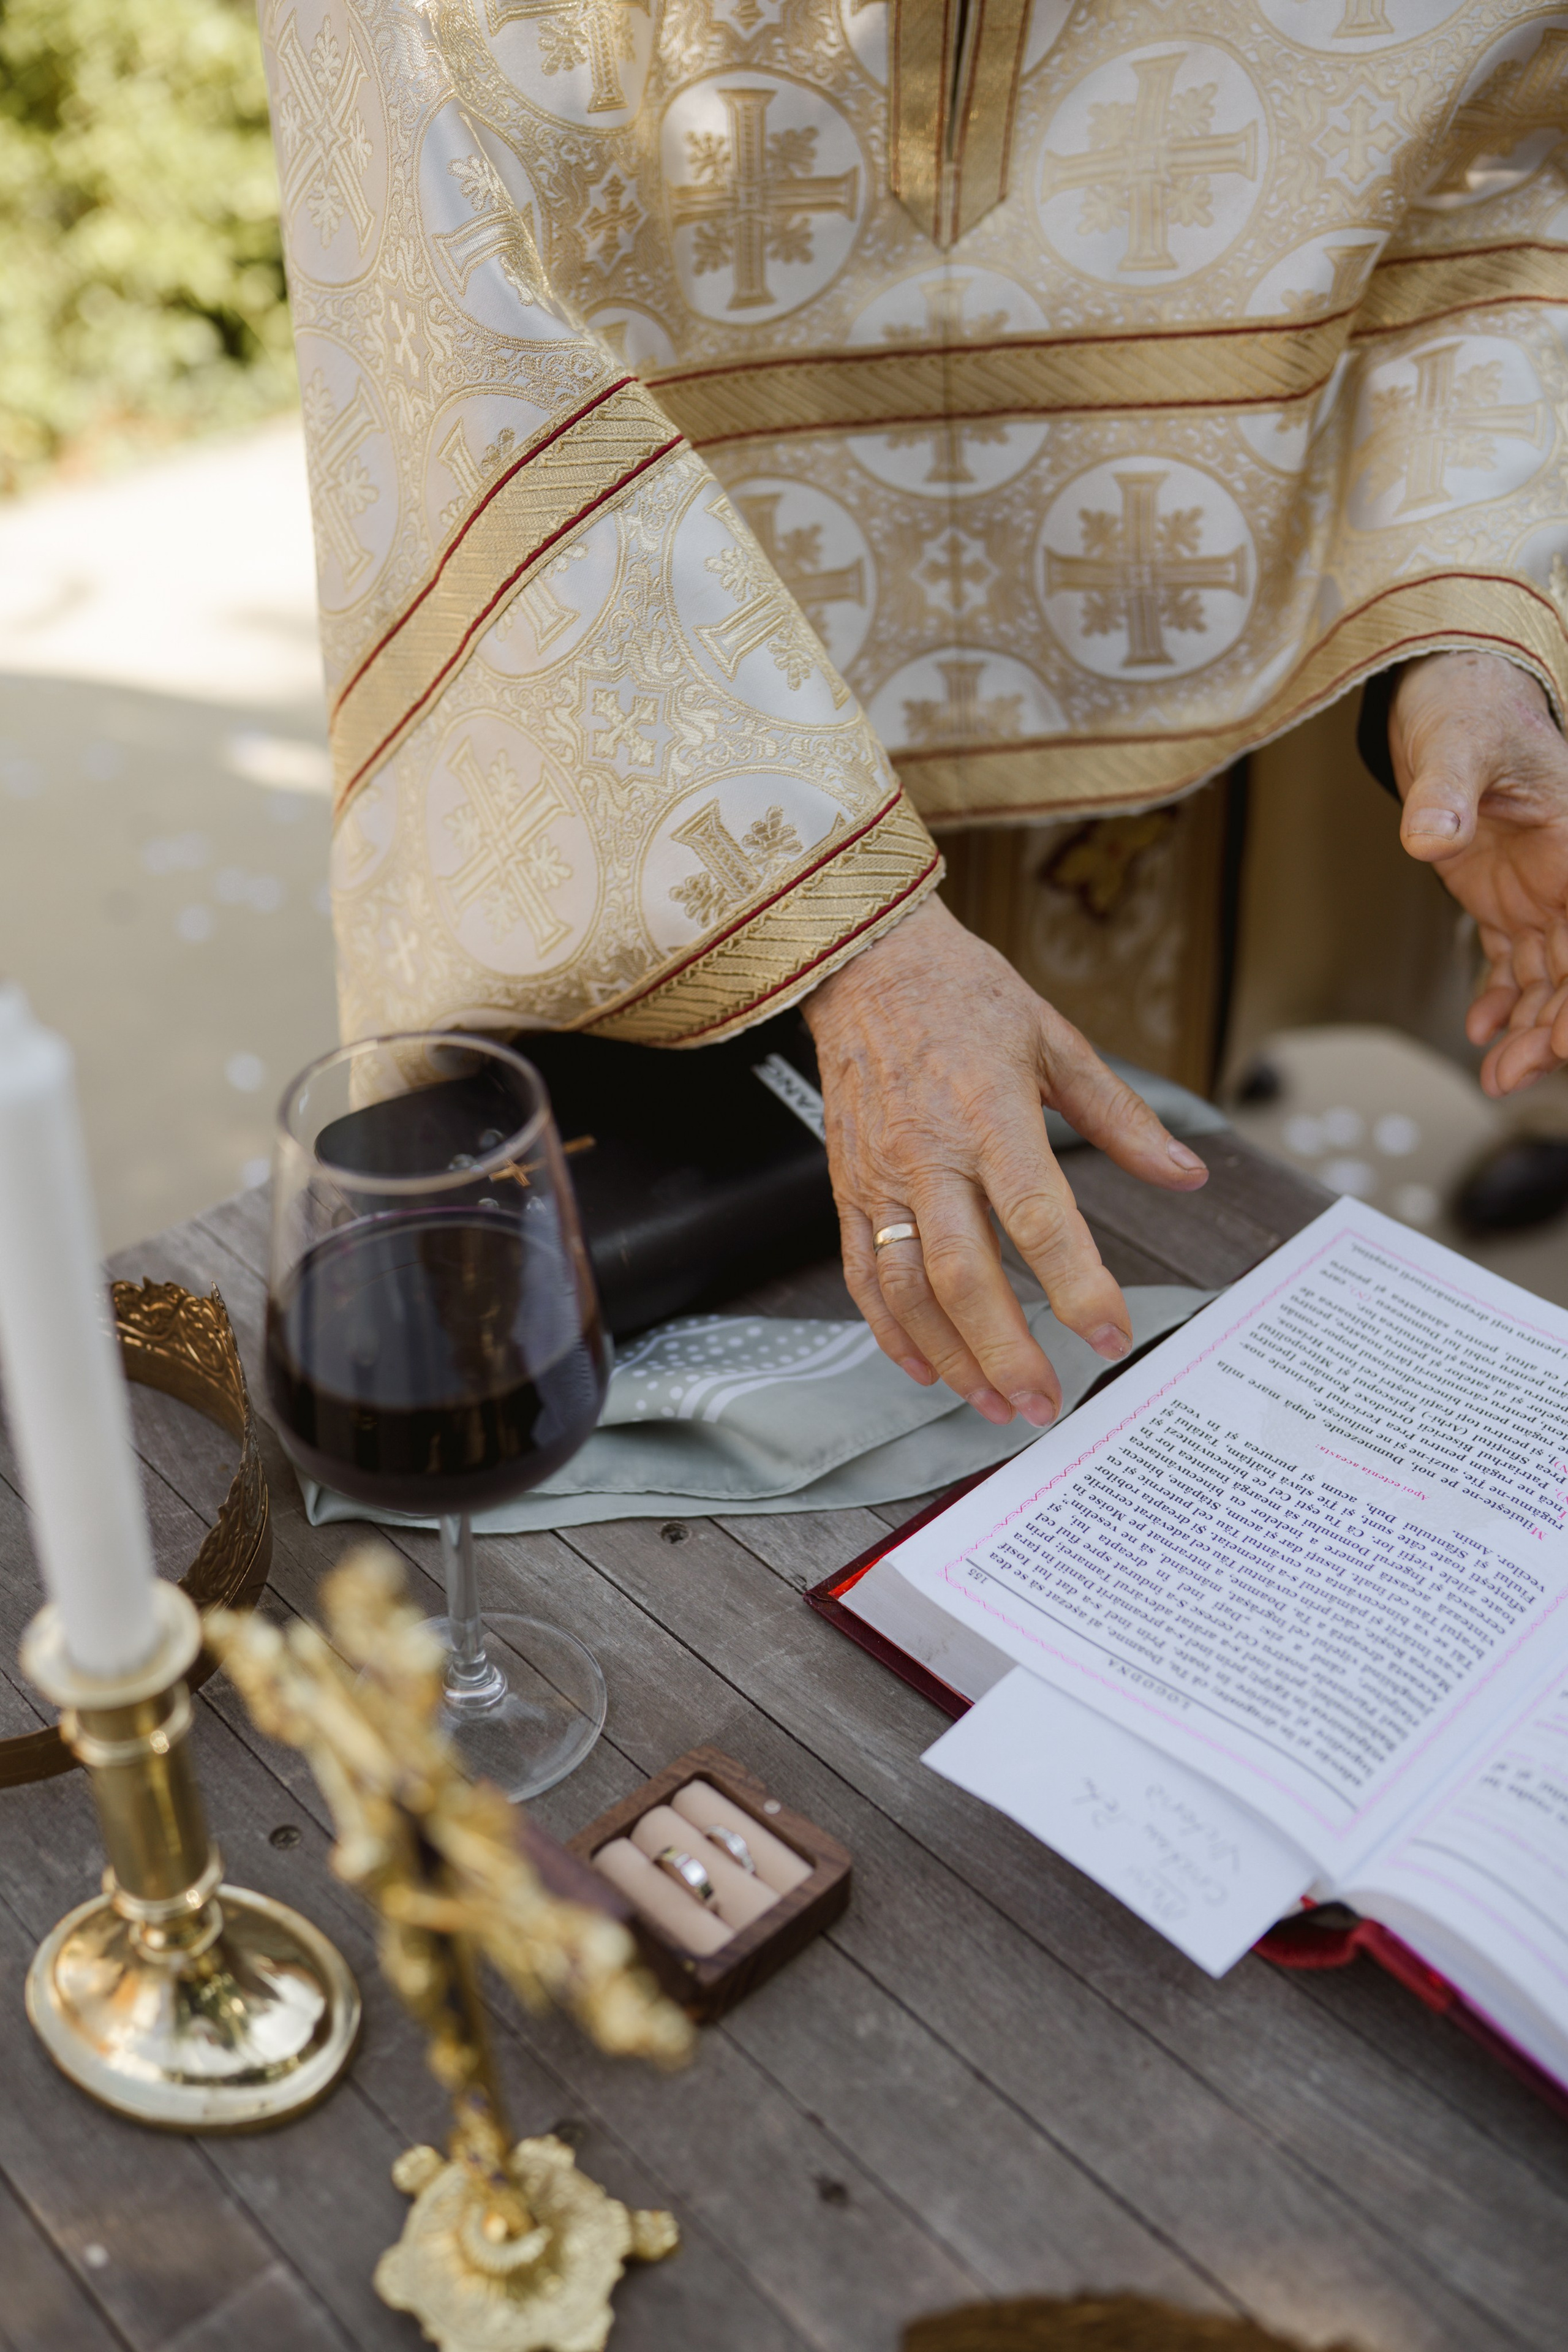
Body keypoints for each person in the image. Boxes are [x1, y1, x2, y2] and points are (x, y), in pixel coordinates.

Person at [260, 0, 1568, 1428]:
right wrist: (833, 927)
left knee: (1101, 1225)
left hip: (1181, 641)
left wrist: (1461, 619)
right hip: (673, 593)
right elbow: (434, 267)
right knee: (707, 1332)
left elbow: (1498, 154)